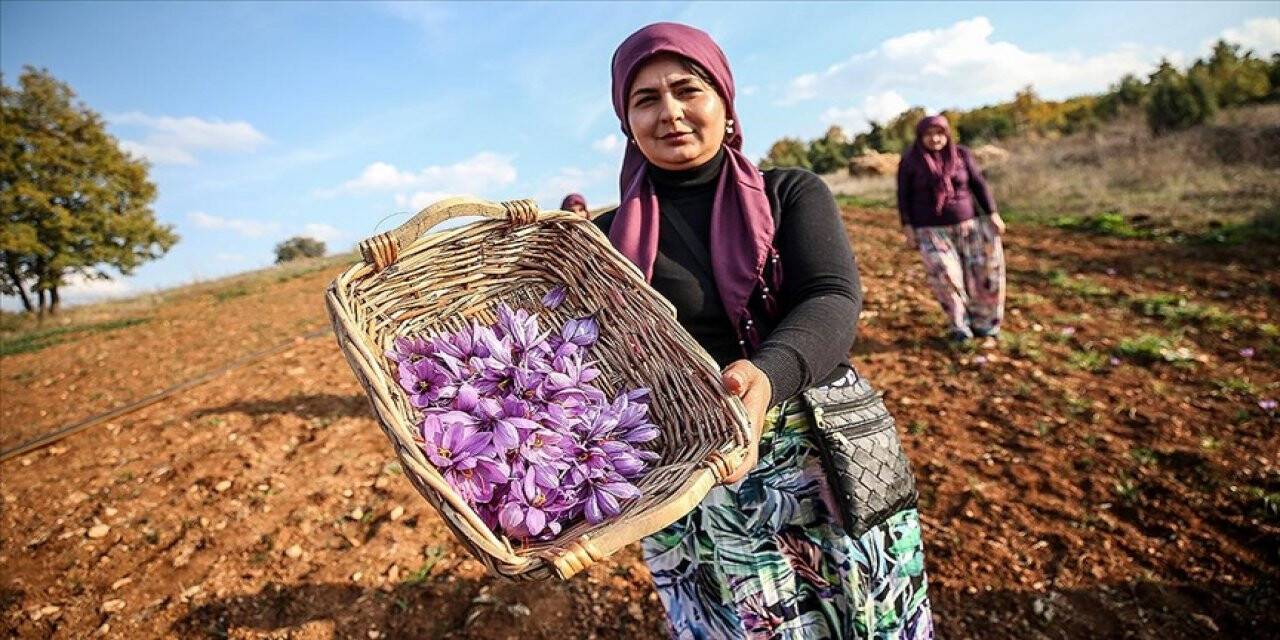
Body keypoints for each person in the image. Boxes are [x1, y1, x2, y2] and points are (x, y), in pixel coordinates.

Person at [593, 23, 933, 639]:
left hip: (816, 452)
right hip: (692, 474)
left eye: (687, 89)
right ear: (627, 121)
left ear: (724, 102)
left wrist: (763, 375)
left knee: (865, 616)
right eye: (645, 99)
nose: (669, 112)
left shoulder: (789, 192)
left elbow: (830, 297)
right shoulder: (604, 238)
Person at [897, 115, 1006, 342]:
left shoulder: (962, 155)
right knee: (945, 275)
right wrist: (907, 226)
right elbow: (903, 196)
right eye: (928, 134)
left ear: (947, 134)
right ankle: (959, 325)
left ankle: (985, 323)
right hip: (930, 231)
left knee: (981, 275)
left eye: (939, 133)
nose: (935, 139)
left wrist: (992, 214)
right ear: (920, 137)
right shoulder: (910, 160)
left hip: (969, 227)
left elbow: (978, 185)